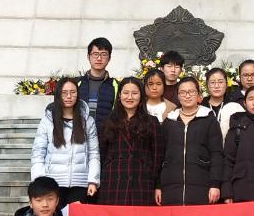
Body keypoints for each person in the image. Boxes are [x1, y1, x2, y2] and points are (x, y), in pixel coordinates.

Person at [30, 77, 100, 207]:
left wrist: (93, 181)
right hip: (53, 184)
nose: (69, 96)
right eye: (64, 93)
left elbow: (94, 153)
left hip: (80, 183)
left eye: (73, 92)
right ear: (58, 95)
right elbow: (38, 153)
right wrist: (39, 181)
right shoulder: (47, 121)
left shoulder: (87, 121)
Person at [98, 77, 165, 205]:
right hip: (113, 183)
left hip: (142, 183)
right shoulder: (108, 122)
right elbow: (101, 155)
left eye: (134, 93)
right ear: (119, 96)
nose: (130, 97)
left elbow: (158, 157)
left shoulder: (151, 122)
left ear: (141, 96)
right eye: (125, 93)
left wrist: (158, 185)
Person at [158, 76, 223, 205]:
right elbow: (160, 155)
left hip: (201, 186)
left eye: (191, 92)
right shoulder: (170, 121)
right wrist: (158, 186)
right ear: (178, 95)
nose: (187, 96)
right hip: (171, 187)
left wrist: (215, 184)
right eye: (182, 92)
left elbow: (216, 154)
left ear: (198, 95)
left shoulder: (209, 119)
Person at [76, 37, 118, 131]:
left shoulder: (115, 85)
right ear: (88, 56)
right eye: (95, 54)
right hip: (79, 135)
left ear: (109, 58)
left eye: (104, 54)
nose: (99, 58)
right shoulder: (77, 83)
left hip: (105, 135)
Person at [204, 67, 245, 140]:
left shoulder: (235, 107)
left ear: (226, 84)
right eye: (212, 82)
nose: (216, 86)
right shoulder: (200, 108)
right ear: (207, 85)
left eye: (220, 82)